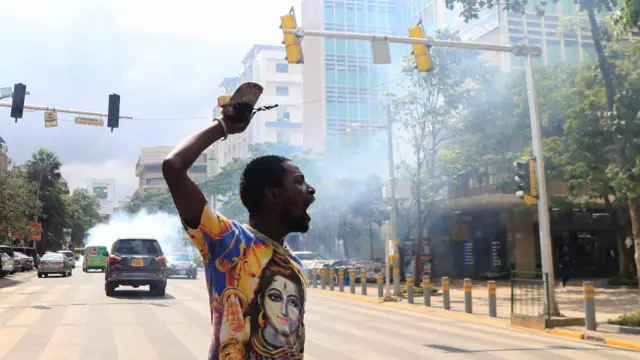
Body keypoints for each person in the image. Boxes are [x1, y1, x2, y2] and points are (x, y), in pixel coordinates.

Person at [162, 83, 315, 360]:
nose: (311, 190)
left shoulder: (293, 261)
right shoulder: (229, 242)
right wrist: (223, 126)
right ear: (273, 194)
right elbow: (173, 167)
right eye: (300, 182)